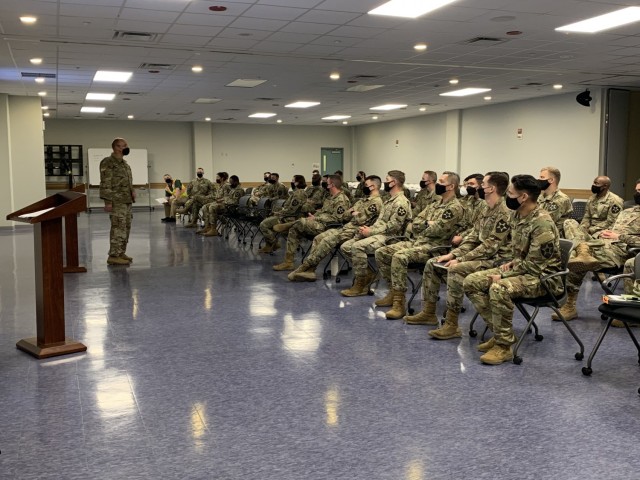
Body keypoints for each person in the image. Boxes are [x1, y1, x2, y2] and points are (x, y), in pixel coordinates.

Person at [463, 174, 562, 365]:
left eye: (510, 193)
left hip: (545, 279)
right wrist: (511, 264)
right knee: (471, 282)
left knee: (498, 287)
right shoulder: (517, 215)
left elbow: (534, 266)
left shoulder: (542, 223)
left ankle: (504, 347)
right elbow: (521, 255)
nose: (507, 196)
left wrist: (502, 274)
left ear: (523, 197)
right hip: (523, 271)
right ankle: (501, 333)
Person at [410, 172, 511, 338]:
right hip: (481, 256)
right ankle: (429, 313)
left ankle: (452, 324)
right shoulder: (486, 208)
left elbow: (490, 246)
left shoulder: (505, 212)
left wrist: (460, 259)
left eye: (483, 184)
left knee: (456, 269)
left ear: (491, 188)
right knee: (433, 263)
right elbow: (473, 237)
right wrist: (453, 254)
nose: (480, 187)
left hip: (498, 259)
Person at [373, 171, 465, 319]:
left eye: (441, 182)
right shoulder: (435, 205)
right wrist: (427, 223)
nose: (438, 185)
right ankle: (393, 292)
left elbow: (439, 229)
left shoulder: (454, 208)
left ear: (451, 186)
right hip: (417, 242)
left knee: (399, 256)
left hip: (434, 248)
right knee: (382, 252)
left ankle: (399, 304)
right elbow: (413, 224)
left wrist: (425, 224)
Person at [555, 179, 640, 321]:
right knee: (569, 223)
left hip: (621, 252)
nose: (637, 194)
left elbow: (622, 236)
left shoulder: (616, 201)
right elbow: (613, 229)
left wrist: (620, 236)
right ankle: (583, 252)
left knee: (575, 257)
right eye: (637, 191)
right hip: (602, 243)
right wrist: (603, 233)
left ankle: (569, 305)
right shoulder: (628, 211)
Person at [288, 175, 383, 282]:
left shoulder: (376, 203)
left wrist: (353, 212)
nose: (363, 187)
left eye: (366, 185)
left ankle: (305, 267)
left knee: (327, 240)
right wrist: (353, 212)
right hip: (346, 227)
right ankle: (311, 270)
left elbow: (361, 219)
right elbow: (345, 215)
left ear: (373, 186)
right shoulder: (363, 200)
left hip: (356, 231)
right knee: (318, 238)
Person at [339, 170, 412, 297]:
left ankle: (360, 285)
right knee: (345, 246)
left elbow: (394, 227)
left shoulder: (401, 202)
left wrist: (371, 231)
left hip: (391, 238)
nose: (385, 182)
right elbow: (380, 222)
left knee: (357, 246)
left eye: (387, 179)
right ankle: (368, 274)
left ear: (393, 182)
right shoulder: (389, 200)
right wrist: (368, 229)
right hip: (380, 233)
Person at [272, 174, 351, 272]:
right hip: (320, 223)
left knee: (300, 222)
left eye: (327, 183)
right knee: (295, 229)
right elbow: (323, 211)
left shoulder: (341, 199)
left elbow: (336, 219)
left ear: (332, 185)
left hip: (328, 227)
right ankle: (288, 262)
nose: (325, 184)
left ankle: (289, 224)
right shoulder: (330, 197)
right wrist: (315, 216)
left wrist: (316, 218)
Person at [99, 137, 135, 265]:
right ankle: (113, 255)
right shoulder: (108, 162)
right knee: (117, 227)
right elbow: (105, 183)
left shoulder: (125, 164)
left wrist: (132, 191)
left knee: (126, 227)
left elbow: (128, 181)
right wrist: (108, 202)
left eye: (126, 144)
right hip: (116, 200)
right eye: (123, 145)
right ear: (116, 147)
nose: (126, 147)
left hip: (126, 200)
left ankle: (121, 252)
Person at [258, 175, 308, 253]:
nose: (292, 182)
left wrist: (279, 213)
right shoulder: (296, 193)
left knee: (263, 224)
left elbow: (291, 210)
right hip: (286, 215)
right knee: (268, 223)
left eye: (293, 180)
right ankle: (268, 246)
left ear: (298, 182)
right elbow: (287, 207)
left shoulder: (299, 194)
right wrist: (278, 211)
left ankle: (274, 243)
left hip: (289, 218)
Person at [563, 175, 623, 240]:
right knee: (569, 222)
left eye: (596, 183)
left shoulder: (615, 200)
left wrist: (591, 230)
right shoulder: (592, 198)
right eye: (593, 183)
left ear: (605, 186)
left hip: (603, 230)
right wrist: (583, 228)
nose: (593, 185)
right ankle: (579, 243)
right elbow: (587, 217)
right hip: (589, 229)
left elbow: (611, 222)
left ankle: (580, 243)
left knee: (597, 236)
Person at [537, 166, 573, 237]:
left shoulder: (561, 199)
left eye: (542, 177)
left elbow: (544, 222)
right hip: (540, 232)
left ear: (551, 180)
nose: (538, 179)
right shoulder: (539, 196)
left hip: (554, 236)